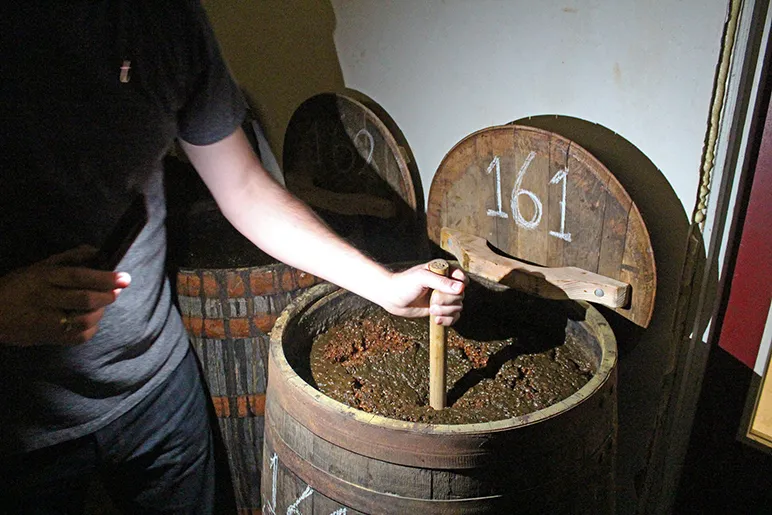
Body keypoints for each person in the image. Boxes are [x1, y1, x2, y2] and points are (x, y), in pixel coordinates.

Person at [0, 2, 466, 514]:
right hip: (20, 424)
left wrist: (381, 285)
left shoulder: (162, 20)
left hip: (156, 388)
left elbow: (243, 187)